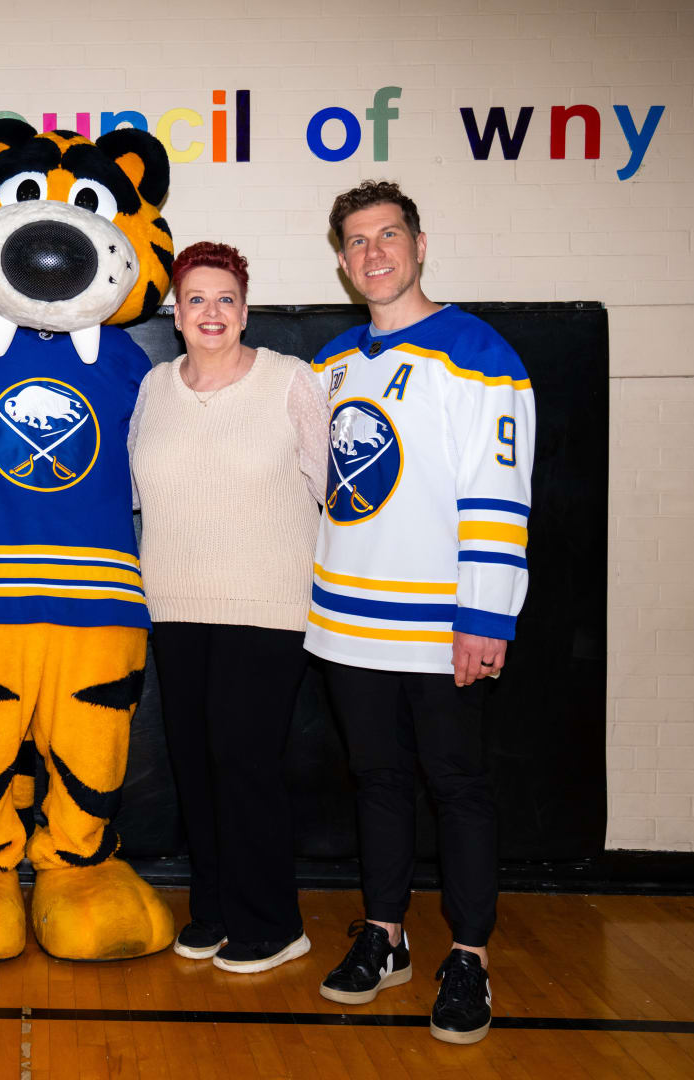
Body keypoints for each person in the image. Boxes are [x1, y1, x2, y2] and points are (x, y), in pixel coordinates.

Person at [305, 181, 535, 1045]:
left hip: (444, 623)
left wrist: (488, 614)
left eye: (389, 235)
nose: (375, 253)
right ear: (342, 261)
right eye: (358, 241)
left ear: (420, 244)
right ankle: (386, 934)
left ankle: (469, 956)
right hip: (348, 620)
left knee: (458, 786)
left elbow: (498, 492)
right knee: (378, 782)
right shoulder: (331, 363)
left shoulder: (478, 353)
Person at [126, 242, 327, 974]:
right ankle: (212, 909)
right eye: (196, 299)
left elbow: (334, 491)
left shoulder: (290, 380)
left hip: (267, 604)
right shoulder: (155, 386)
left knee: (244, 765)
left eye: (225, 299)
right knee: (195, 764)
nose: (211, 312)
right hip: (175, 603)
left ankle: (273, 922)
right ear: (177, 315)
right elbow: (138, 492)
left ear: (245, 311)